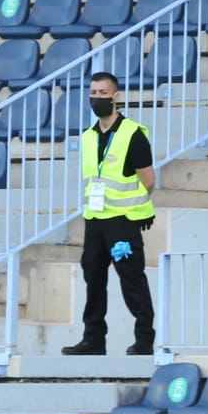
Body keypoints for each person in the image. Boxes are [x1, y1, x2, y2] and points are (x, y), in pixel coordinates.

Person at [61, 70, 154, 357]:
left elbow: (148, 180)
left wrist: (137, 210)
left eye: (102, 93)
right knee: (94, 280)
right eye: (93, 93)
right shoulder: (88, 137)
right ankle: (93, 339)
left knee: (131, 278)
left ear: (116, 97)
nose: (96, 98)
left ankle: (144, 339)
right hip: (95, 220)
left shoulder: (132, 135)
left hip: (123, 221)